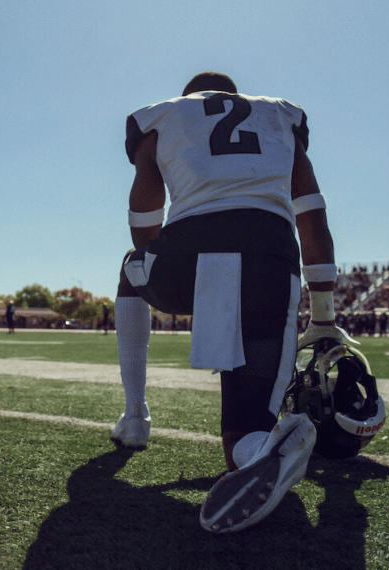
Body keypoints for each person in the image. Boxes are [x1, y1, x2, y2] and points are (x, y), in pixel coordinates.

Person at [111, 72, 350, 533]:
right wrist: (323, 316)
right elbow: (312, 212)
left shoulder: (161, 116)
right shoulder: (279, 115)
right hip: (270, 262)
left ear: (189, 98)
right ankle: (264, 446)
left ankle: (136, 416)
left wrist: (159, 263)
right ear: (235, 95)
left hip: (188, 256)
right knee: (242, 434)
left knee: (129, 266)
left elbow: (143, 209)